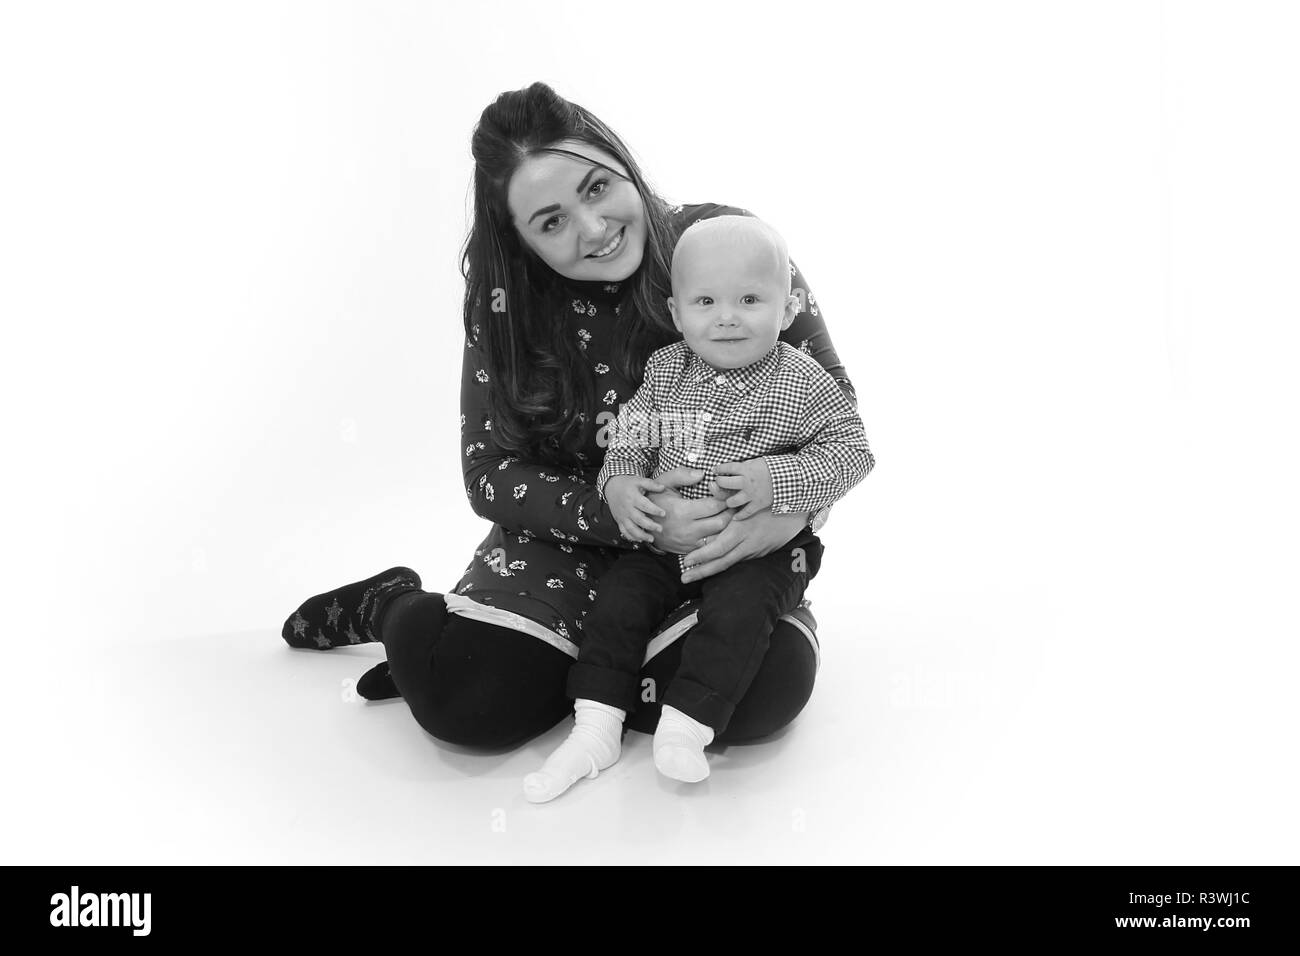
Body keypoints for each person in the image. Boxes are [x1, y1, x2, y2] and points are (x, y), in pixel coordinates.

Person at [281, 81, 872, 751]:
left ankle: (593, 675)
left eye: (595, 188)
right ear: (522, 238)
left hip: (718, 547)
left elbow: (837, 423)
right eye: (552, 221)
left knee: (756, 697)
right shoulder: (506, 305)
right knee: (469, 706)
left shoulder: (727, 246)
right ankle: (393, 605)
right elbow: (489, 472)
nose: (593, 228)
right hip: (564, 540)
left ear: (621, 161)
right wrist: (631, 515)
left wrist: (786, 508)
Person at [522, 215, 873, 802]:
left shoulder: (802, 379)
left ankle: (687, 724)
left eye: (750, 299)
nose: (727, 316)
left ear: (787, 312)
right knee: (621, 597)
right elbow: (628, 438)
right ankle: (597, 724)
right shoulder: (666, 372)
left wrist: (775, 477)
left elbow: (852, 451)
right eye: (706, 301)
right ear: (678, 313)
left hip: (763, 546)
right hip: (669, 536)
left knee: (742, 608)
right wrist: (620, 485)